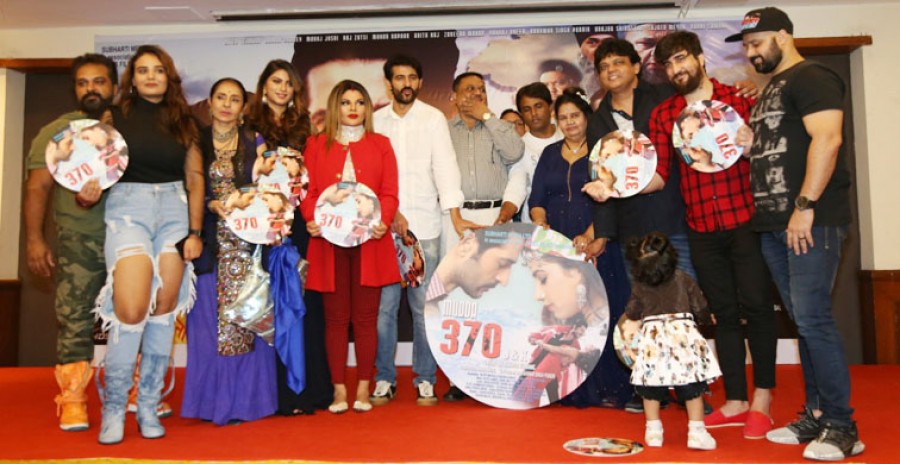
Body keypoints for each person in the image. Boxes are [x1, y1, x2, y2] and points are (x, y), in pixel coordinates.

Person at [727, 7, 863, 460]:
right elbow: (786, 147)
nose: (751, 53)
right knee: (803, 323)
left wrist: (804, 207)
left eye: (757, 43)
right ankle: (817, 415)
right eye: (746, 46)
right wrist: (753, 145)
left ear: (783, 36)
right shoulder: (772, 88)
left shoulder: (813, 76)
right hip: (774, 224)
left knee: (815, 320)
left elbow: (828, 140)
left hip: (809, 221)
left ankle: (842, 426)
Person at [649, 31, 776, 440]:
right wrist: (614, 184)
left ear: (701, 58)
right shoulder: (664, 114)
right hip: (701, 227)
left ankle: (762, 399)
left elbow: (771, 152)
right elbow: (659, 174)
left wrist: (753, 144)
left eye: (681, 58)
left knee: (758, 307)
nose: (676, 69)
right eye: (668, 64)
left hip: (746, 220)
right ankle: (736, 399)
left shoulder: (740, 98)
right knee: (722, 314)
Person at [93, 45, 203, 445]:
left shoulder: (184, 120)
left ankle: (149, 404)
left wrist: (195, 232)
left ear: (168, 77)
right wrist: (89, 188)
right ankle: (114, 407)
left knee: (163, 309)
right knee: (130, 308)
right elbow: (96, 169)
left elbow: (194, 179)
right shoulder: (113, 116)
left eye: (158, 70)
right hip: (128, 208)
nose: (151, 76)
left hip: (175, 210)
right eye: (143, 70)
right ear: (133, 79)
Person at [23, 53, 117, 432]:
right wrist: (34, 240)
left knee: (133, 317)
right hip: (79, 238)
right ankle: (74, 398)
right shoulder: (55, 133)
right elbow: (37, 189)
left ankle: (132, 391)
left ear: (114, 86)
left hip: (129, 237)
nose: (91, 89)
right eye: (82, 82)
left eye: (99, 81)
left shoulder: (129, 129)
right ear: (75, 89)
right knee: (75, 318)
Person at [371, 55, 468, 407]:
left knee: (423, 308)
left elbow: (446, 168)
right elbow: (369, 174)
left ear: (420, 82)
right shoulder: (375, 121)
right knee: (384, 308)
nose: (406, 84)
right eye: (399, 78)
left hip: (425, 226)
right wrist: (388, 212)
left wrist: (454, 215)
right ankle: (384, 378)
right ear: (388, 83)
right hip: (383, 228)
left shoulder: (433, 118)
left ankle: (425, 378)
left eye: (412, 77)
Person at [180, 78, 278, 425]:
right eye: (220, 97)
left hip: (249, 245)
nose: (226, 104)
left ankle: (249, 403)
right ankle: (212, 404)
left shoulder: (256, 141)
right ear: (209, 102)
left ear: (243, 107)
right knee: (209, 324)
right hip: (209, 243)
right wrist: (211, 204)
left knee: (248, 319)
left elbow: (271, 189)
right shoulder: (195, 140)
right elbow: (187, 186)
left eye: (234, 99)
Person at [528, 88, 632, 409]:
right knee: (567, 316)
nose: (570, 122)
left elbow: (613, 195)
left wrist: (591, 234)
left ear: (587, 117)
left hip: (598, 241)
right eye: (563, 117)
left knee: (602, 312)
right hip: (559, 247)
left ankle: (612, 386)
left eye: (575, 115)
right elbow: (537, 200)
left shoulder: (603, 151)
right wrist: (542, 225)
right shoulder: (549, 153)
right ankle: (571, 388)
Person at [301, 80, 400, 414]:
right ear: (335, 107)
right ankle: (339, 390)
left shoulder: (381, 144)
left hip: (370, 241)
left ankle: (363, 389)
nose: (353, 108)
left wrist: (384, 219)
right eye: (346, 102)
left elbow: (389, 193)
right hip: (328, 243)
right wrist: (311, 218)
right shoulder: (316, 144)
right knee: (335, 319)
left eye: (359, 102)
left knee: (366, 319)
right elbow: (309, 192)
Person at [247, 59, 333, 416]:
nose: (282, 88)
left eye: (288, 83)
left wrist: (310, 215)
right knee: (268, 307)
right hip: (260, 226)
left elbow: (316, 176)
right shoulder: (248, 127)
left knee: (305, 305)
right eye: (276, 81)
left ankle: (309, 390)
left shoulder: (306, 128)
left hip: (299, 226)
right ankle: (274, 394)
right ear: (264, 86)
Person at [443, 71, 524, 401]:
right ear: (454, 96)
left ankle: (497, 371)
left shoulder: (499, 127)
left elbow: (515, 153)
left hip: (494, 218)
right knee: (459, 300)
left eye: (481, 90)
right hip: (456, 220)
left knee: (496, 298)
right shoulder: (443, 131)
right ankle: (460, 377)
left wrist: (488, 117)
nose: (476, 94)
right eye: (469, 90)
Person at [622, 232, 721, 450]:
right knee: (692, 387)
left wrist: (633, 318)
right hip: (683, 339)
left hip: (652, 341)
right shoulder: (683, 278)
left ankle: (653, 432)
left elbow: (632, 311)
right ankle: (697, 432)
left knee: (651, 387)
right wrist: (706, 319)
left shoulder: (639, 285)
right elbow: (700, 306)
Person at [514, 252, 609, 407]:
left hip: (546, 373)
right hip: (538, 367)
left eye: (543, 279)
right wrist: (534, 339)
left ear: (576, 272)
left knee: (530, 390)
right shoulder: (558, 329)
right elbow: (540, 335)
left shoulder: (584, 340)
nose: (538, 295)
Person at [503, 83, 563, 224]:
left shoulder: (568, 135)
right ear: (521, 114)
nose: (534, 114)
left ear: (550, 107)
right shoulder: (519, 147)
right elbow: (517, 186)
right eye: (527, 109)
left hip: (572, 221)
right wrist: (505, 214)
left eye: (538, 106)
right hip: (535, 225)